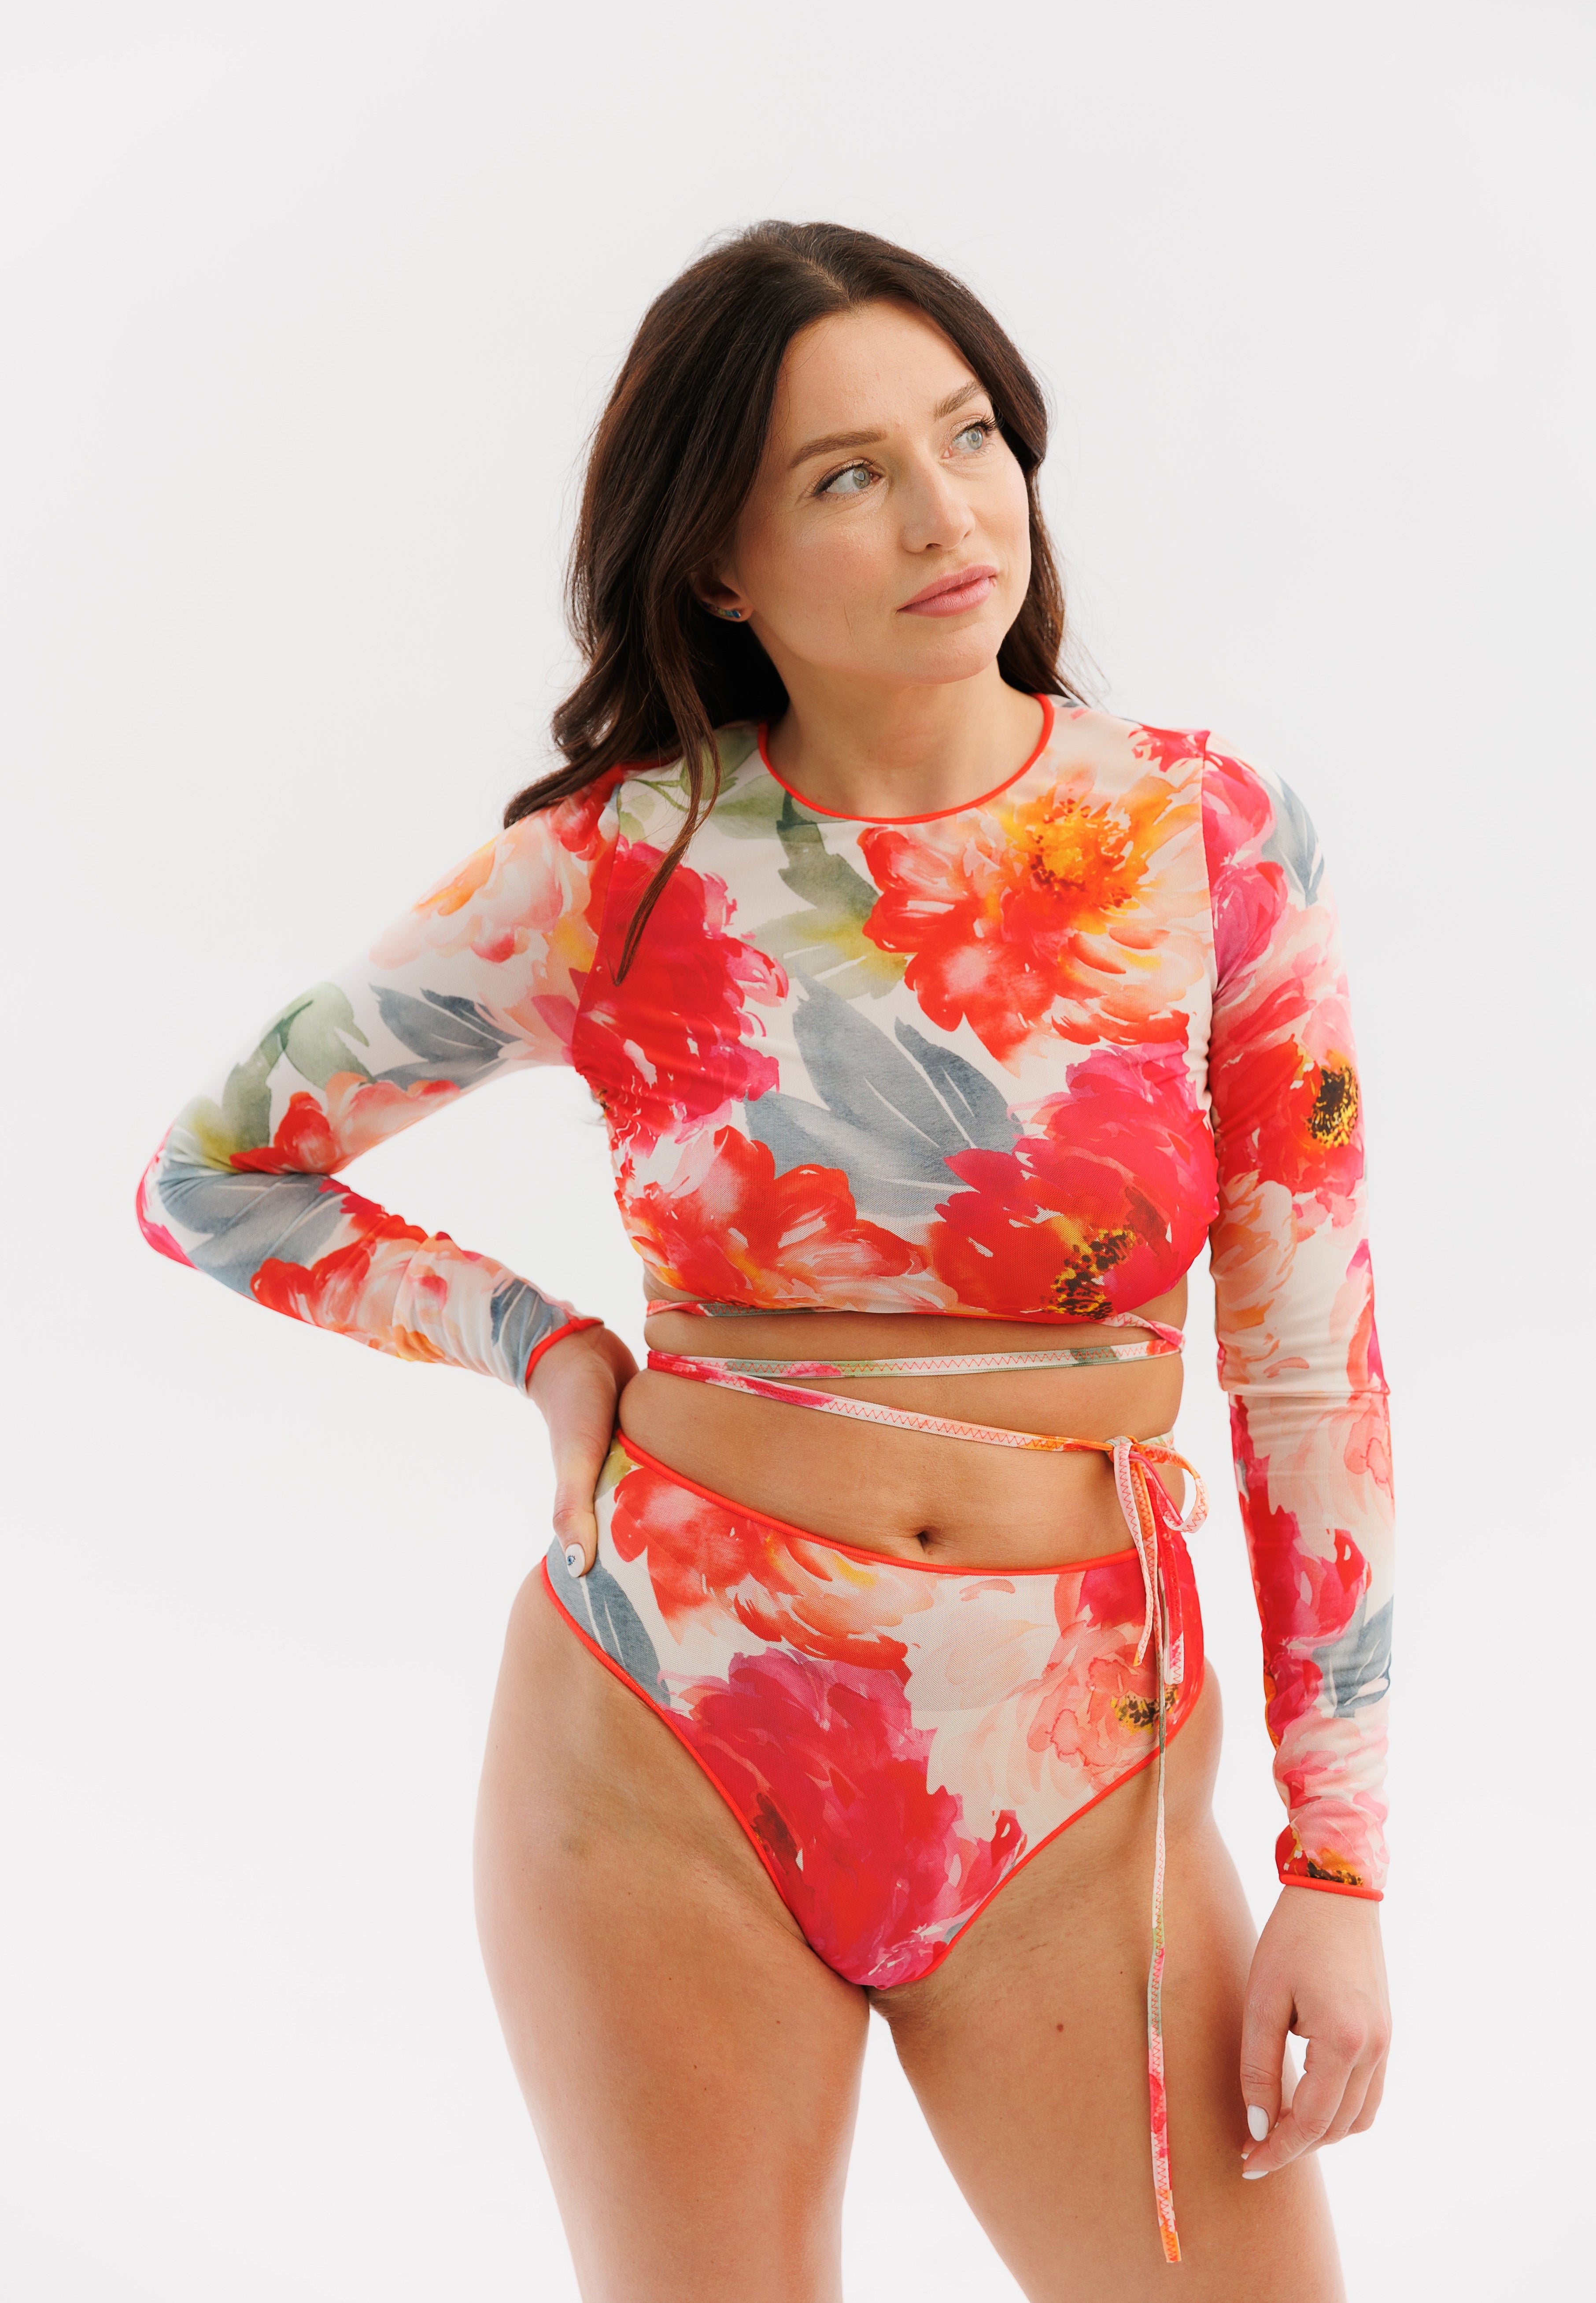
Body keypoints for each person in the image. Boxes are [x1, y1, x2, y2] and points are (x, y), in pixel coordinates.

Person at [139, 221, 1393, 2300]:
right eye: (846, 474)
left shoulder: (1210, 835)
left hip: (1075, 1754)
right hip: (665, 1735)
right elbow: (219, 1174)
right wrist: (539, 1343)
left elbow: (1310, 1359)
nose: (947, 514)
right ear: (720, 563)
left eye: (969, 436)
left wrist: (1338, 1859)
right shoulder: (614, 867)